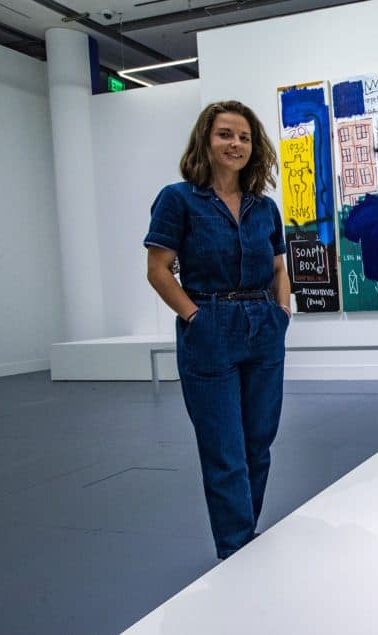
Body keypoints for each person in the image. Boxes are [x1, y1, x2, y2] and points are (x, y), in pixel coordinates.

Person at [144, 100, 291, 559]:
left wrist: (281, 313)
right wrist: (194, 316)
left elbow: (279, 267)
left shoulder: (264, 207)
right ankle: (235, 549)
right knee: (224, 450)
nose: (236, 144)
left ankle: (245, 535)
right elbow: (158, 268)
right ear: (205, 140)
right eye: (226, 134)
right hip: (209, 328)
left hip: (262, 326)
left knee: (258, 443)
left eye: (244, 137)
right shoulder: (179, 199)